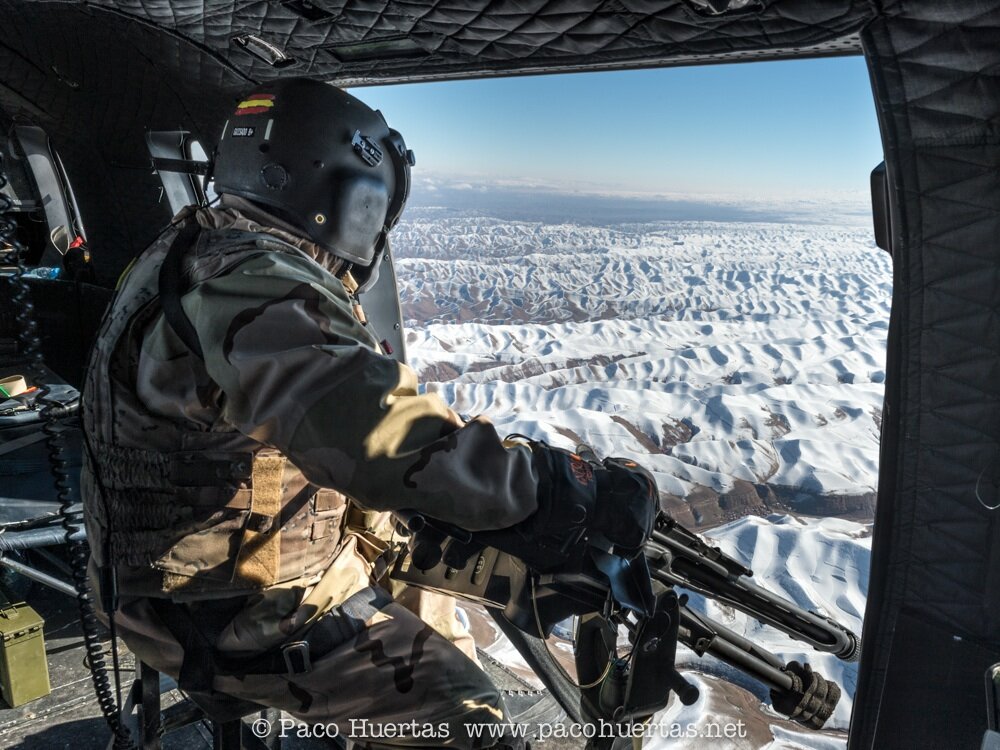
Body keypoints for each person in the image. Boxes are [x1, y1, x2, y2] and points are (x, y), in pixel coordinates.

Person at [81, 78, 656, 749]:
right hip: (217, 607)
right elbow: (379, 436)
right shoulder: (254, 284)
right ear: (347, 199)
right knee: (469, 724)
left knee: (446, 585)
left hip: (227, 564)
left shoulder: (199, 248)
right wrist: (557, 487)